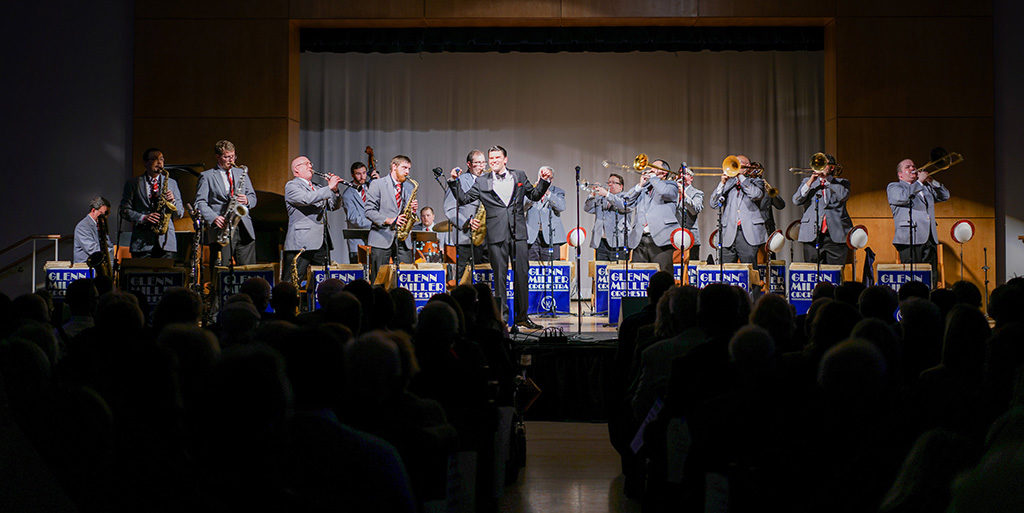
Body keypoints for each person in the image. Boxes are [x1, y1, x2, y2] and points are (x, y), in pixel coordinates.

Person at [447, 145, 551, 329]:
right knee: (499, 277)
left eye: (497, 158)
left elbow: (534, 195)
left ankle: (521, 317)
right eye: (491, 158)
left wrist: (543, 181)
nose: (493, 161)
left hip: (518, 233)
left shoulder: (519, 175)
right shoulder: (481, 181)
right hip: (496, 234)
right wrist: (454, 182)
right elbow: (463, 199)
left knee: (522, 275)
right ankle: (501, 318)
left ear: (505, 159)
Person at [283, 156, 343, 288]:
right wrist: (328, 188)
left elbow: (333, 206)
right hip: (301, 242)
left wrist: (335, 191)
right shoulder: (291, 186)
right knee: (292, 282)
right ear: (297, 169)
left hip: (321, 241)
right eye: (307, 164)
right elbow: (306, 199)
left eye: (311, 163)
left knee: (323, 281)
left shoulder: (317, 187)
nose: (311, 166)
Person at [195, 139, 258, 266]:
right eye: (226, 157)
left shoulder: (241, 173)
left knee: (248, 270)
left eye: (233, 156)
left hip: (243, 227)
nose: (231, 160)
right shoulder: (207, 176)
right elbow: (200, 202)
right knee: (221, 270)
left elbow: (252, 197)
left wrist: (247, 200)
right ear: (218, 157)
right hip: (222, 228)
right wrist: (214, 218)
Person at [887, 158, 950, 276]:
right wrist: (919, 182)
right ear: (900, 175)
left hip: (930, 238)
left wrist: (931, 181)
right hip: (909, 238)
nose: (913, 168)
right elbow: (904, 197)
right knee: (912, 276)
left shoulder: (925, 188)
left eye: (913, 166)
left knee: (931, 275)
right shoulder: (894, 187)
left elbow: (945, 196)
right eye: (908, 167)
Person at [120, 147, 184, 259]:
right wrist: (143, 218)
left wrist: (172, 201)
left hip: (166, 243)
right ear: (145, 163)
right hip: (141, 243)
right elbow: (124, 211)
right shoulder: (133, 184)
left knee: (167, 276)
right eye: (154, 159)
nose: (159, 162)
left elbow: (180, 213)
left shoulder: (172, 183)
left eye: (162, 159)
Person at [365, 155, 419, 281]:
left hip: (403, 239)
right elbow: (369, 211)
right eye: (404, 168)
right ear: (394, 167)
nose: (407, 172)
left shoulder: (409, 187)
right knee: (379, 280)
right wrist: (390, 220)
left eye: (409, 169)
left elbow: (407, 213)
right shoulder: (377, 184)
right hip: (381, 237)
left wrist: (413, 210)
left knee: (406, 279)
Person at [793, 153, 852, 265]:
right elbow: (796, 200)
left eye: (824, 164)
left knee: (835, 272)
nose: (820, 167)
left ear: (832, 167)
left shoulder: (842, 183)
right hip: (812, 234)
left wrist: (827, 182)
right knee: (812, 271)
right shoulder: (808, 182)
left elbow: (843, 195)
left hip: (836, 235)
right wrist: (810, 181)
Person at [623, 158, 681, 271]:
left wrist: (653, 178)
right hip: (640, 238)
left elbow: (664, 192)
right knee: (638, 277)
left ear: (664, 172)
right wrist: (640, 185)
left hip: (661, 240)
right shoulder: (644, 188)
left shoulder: (671, 185)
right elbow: (626, 203)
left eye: (654, 168)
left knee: (663, 276)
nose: (650, 169)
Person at [710, 155, 765, 264]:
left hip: (747, 233)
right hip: (728, 233)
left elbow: (756, 194)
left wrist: (741, 177)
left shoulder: (756, 181)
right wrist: (722, 184)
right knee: (726, 270)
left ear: (747, 166)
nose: (736, 168)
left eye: (739, 164)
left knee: (749, 270)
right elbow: (713, 203)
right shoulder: (729, 183)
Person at [445, 150, 489, 284]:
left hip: (487, 238)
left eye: (483, 162)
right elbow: (450, 208)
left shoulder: (489, 180)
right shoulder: (459, 181)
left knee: (485, 278)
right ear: (469, 164)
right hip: (465, 237)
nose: (482, 166)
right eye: (477, 163)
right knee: (463, 277)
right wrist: (466, 222)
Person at [584, 173, 629, 261]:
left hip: (618, 242)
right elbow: (587, 209)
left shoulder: (625, 196)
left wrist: (607, 194)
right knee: (600, 271)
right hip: (601, 242)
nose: (609, 184)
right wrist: (592, 195)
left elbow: (623, 207)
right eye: (609, 182)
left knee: (617, 272)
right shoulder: (601, 198)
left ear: (621, 187)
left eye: (613, 182)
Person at [526, 167, 566, 262]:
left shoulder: (558, 191)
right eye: (542, 177)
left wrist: (547, 192)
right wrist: (535, 191)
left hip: (550, 235)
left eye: (547, 177)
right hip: (532, 235)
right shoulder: (530, 190)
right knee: (531, 267)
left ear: (551, 179)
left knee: (551, 268)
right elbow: (523, 206)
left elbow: (561, 207)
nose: (544, 179)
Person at [341, 161, 375, 264]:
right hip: (358, 242)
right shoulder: (348, 194)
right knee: (359, 274)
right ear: (352, 175)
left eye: (364, 173)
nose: (362, 177)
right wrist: (377, 222)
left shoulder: (372, 187)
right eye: (358, 174)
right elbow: (354, 219)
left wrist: (378, 181)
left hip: (374, 240)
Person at [73, 196, 113, 265]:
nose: (105, 217)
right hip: (86, 268)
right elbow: (93, 250)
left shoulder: (101, 225)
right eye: (103, 214)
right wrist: (115, 252)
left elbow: (108, 245)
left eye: (107, 214)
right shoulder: (82, 227)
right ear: (93, 210)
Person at [678, 167, 704, 261]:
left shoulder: (697, 193)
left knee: (691, 266)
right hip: (674, 236)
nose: (681, 175)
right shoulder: (673, 192)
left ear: (691, 178)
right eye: (680, 173)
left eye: (685, 173)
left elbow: (695, 210)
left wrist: (684, 194)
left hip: (690, 236)